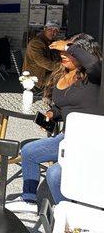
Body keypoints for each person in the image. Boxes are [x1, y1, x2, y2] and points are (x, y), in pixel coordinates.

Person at [7, 33, 103, 214]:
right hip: (68, 139)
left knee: (55, 174)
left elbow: (94, 64)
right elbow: (62, 107)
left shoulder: (94, 77)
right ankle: (28, 199)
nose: (63, 54)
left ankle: (69, 213)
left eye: (70, 51)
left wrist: (68, 46)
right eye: (63, 51)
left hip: (92, 143)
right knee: (29, 151)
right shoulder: (64, 74)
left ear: (84, 53)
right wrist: (52, 114)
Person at [23, 21, 61, 90]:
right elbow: (41, 61)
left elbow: (56, 56)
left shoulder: (49, 41)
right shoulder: (36, 42)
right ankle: (54, 97)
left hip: (44, 72)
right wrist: (60, 67)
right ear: (45, 29)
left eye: (56, 31)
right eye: (50, 30)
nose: (53, 33)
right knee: (64, 77)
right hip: (37, 76)